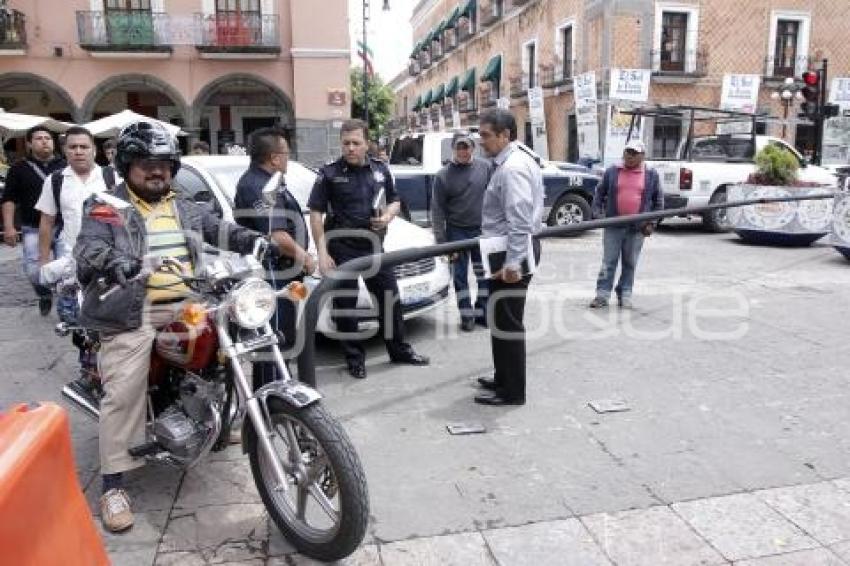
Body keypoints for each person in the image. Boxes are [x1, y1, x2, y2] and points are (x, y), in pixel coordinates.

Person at [74, 121, 273, 533]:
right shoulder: (105, 205)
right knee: (124, 389)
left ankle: (226, 416)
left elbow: (218, 227)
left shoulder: (182, 204)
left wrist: (250, 239)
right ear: (128, 165)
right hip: (133, 309)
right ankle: (113, 485)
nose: (157, 172)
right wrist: (116, 262)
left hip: (189, 300)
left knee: (231, 345)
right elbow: (89, 248)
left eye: (164, 164)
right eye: (147, 164)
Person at [308, 119, 429, 379]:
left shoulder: (380, 170)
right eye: (346, 143)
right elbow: (315, 213)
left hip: (374, 245)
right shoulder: (328, 174)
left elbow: (395, 200)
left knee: (389, 299)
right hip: (341, 247)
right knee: (346, 307)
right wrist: (322, 251)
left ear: (367, 144)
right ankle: (354, 359)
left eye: (356, 143)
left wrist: (387, 217)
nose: (350, 148)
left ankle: (399, 351)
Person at [234, 127, 315, 387]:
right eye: (286, 154)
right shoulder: (261, 185)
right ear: (274, 158)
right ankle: (272, 400)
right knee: (276, 340)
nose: (287, 160)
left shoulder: (266, 181)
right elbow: (277, 236)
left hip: (281, 274)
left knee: (280, 340)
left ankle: (273, 393)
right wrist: (306, 258)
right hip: (272, 275)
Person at [474, 108, 544, 407]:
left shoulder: (512, 168)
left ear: (505, 135)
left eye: (487, 135)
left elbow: (519, 220)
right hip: (506, 250)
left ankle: (512, 391)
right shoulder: (510, 161)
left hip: (512, 253)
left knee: (508, 322)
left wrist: (513, 264)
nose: (481, 141)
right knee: (500, 318)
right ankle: (503, 377)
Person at [35, 126, 118, 323]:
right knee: (75, 320)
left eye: (84, 146)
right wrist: (44, 260)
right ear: (65, 150)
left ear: (94, 150)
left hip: (110, 258)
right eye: (73, 147)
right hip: (71, 259)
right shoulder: (55, 181)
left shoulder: (112, 177)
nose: (78, 151)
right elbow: (47, 222)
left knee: (110, 315)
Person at [588, 139, 663, 310]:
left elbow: (658, 201)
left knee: (630, 262)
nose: (629, 156)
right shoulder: (613, 171)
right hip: (614, 225)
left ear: (642, 156)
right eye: (627, 152)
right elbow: (599, 193)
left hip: (637, 228)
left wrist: (652, 223)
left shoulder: (651, 174)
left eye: (634, 153)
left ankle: (625, 293)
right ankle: (602, 295)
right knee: (608, 261)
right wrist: (598, 214)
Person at [1, 125, 65, 315]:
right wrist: (9, 226)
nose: (44, 141)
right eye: (39, 138)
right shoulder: (18, 169)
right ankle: (44, 293)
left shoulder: (65, 166)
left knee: (66, 269)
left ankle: (66, 307)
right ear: (29, 144)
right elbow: (9, 199)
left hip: (63, 227)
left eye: (48, 137)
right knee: (34, 271)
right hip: (33, 227)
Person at [431, 132, 491, 332]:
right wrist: (442, 242)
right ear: (454, 149)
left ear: (473, 148)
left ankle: (482, 312)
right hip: (456, 233)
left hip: (482, 231)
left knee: (484, 275)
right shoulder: (443, 175)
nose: (463, 151)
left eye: (466, 147)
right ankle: (466, 316)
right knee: (459, 277)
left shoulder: (486, 167)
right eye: (459, 147)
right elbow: (437, 209)